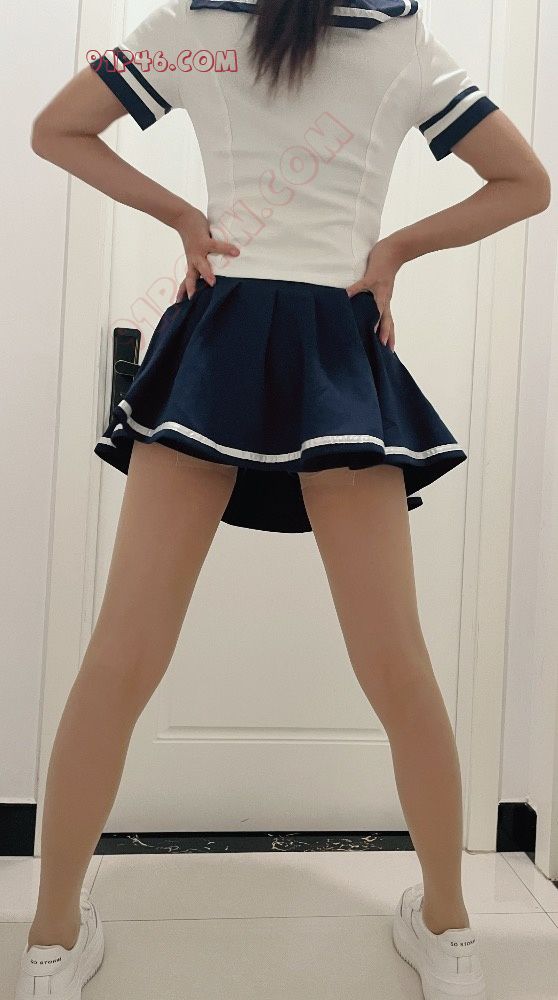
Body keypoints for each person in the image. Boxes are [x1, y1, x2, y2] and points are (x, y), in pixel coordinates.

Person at [19, 1, 550, 998]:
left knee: (119, 655)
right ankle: (451, 933)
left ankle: (49, 941)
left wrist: (184, 218)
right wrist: (392, 252)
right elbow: (527, 183)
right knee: (400, 666)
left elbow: (57, 129)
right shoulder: (401, 40)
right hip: (337, 350)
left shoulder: (191, 26)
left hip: (216, 344)